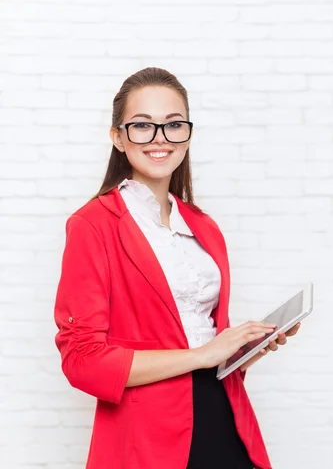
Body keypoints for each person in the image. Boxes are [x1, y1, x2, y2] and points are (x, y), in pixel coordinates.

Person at [53, 67, 301, 469]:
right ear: (117, 137)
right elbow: (84, 362)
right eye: (142, 126)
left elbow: (203, 341)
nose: (160, 139)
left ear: (187, 133)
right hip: (148, 436)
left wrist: (237, 351)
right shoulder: (93, 226)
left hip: (226, 414)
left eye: (173, 125)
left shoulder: (203, 227)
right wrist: (201, 354)